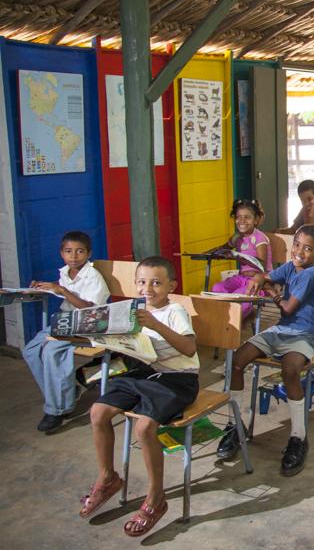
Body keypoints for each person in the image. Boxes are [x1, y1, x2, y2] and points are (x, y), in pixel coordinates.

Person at [81, 257, 198, 537]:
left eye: (157, 283)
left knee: (144, 427)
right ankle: (108, 478)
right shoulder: (134, 311)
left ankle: (156, 498)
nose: (149, 289)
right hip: (143, 372)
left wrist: (157, 326)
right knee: (97, 412)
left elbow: (189, 348)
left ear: (172, 285)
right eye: (142, 282)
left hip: (178, 379)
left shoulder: (174, 311)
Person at [216, 225, 314, 476]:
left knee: (290, 371)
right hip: (281, 331)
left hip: (305, 333)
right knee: (235, 361)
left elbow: (287, 308)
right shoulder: (290, 266)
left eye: (308, 249)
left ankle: (299, 436)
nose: (300, 251)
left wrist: (274, 294)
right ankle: (237, 425)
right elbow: (267, 276)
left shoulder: (311, 275)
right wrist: (258, 279)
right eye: (297, 244)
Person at [23, 230, 110, 433]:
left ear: (88, 253)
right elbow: (62, 294)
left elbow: (91, 309)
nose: (73, 256)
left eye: (79, 251)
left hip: (88, 322)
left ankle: (58, 409)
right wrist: (44, 288)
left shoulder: (93, 276)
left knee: (52, 351)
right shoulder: (65, 272)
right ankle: (68, 391)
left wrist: (62, 291)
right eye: (68, 251)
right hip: (65, 320)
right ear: (61, 253)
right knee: (31, 349)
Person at [209, 199, 272, 318]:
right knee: (217, 288)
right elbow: (222, 249)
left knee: (239, 296)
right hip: (242, 278)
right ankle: (224, 319)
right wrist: (208, 254)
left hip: (259, 281)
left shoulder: (259, 238)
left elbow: (262, 265)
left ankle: (233, 321)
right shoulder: (237, 237)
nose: (242, 221)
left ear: (256, 220)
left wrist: (241, 258)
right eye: (238, 217)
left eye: (247, 217)